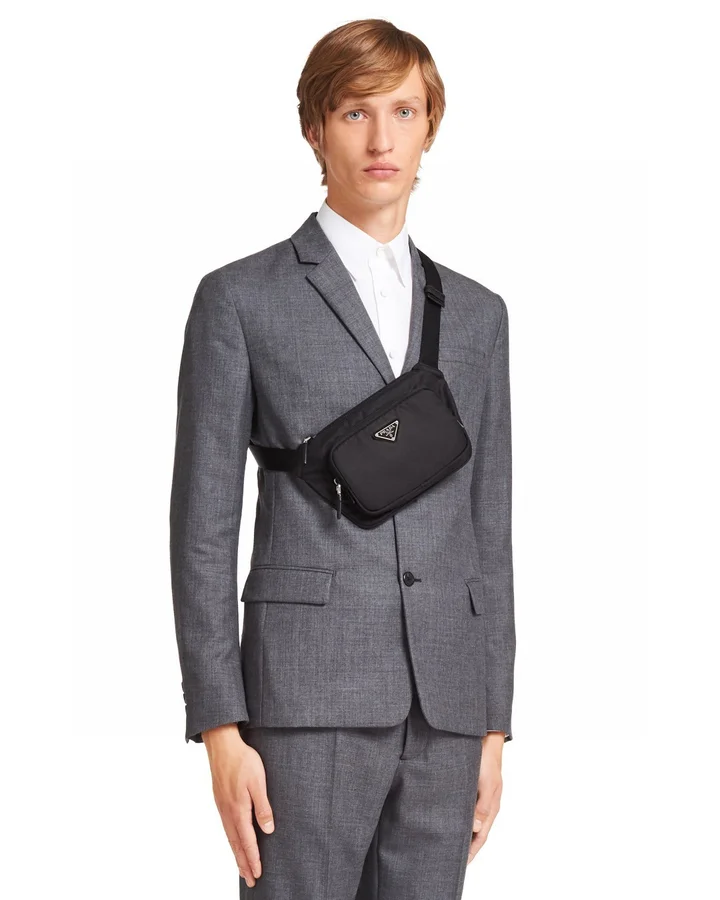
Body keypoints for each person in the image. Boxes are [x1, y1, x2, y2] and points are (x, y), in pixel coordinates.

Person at [169, 17, 516, 900]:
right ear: (315, 129)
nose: (381, 139)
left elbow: (490, 523)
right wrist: (219, 727)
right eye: (356, 112)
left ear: (431, 126)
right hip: (304, 696)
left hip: (446, 708)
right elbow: (203, 528)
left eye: (404, 111)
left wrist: (491, 724)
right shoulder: (240, 298)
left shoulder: (478, 314)